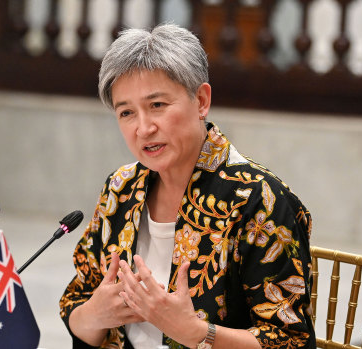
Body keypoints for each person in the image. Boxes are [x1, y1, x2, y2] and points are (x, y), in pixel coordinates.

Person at [59, 23, 315, 349]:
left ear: (201, 101)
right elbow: (76, 307)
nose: (144, 128)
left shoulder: (258, 200)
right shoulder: (120, 189)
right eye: (126, 113)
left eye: (157, 105)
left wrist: (195, 332)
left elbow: (291, 342)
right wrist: (97, 314)